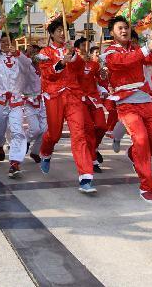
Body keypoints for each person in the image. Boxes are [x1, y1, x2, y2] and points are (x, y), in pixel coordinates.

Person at [101, 16, 152, 203]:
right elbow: (123, 61)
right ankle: (147, 186)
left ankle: (134, 154)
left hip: (145, 100)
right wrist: (146, 48)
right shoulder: (109, 52)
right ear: (112, 32)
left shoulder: (136, 49)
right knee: (141, 140)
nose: (124, 31)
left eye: (126, 27)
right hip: (126, 103)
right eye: (120, 28)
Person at [37, 17, 96, 194]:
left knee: (79, 135)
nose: (63, 33)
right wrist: (62, 62)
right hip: (54, 95)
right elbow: (48, 75)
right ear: (52, 34)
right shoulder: (44, 52)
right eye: (59, 31)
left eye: (65, 30)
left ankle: (86, 177)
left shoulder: (73, 51)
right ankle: (45, 152)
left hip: (73, 95)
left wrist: (74, 57)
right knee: (54, 134)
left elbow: (79, 70)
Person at [0, 19, 30, 178]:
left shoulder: (19, 58)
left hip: (16, 101)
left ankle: (15, 162)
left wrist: (18, 53)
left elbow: (29, 65)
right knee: (1, 129)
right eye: (2, 41)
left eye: (7, 41)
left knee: (17, 131)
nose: (4, 44)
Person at [77, 38, 108, 175]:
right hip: (80, 101)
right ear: (77, 48)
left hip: (94, 99)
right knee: (88, 129)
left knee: (102, 126)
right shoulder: (73, 63)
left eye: (87, 45)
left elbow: (100, 79)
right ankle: (93, 160)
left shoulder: (94, 64)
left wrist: (103, 74)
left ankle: (93, 148)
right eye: (83, 45)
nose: (86, 47)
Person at [21, 43, 47, 164]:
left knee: (45, 129)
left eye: (37, 54)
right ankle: (25, 141)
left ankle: (35, 152)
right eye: (33, 54)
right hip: (29, 101)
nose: (36, 56)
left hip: (42, 100)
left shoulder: (43, 66)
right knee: (35, 130)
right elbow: (21, 61)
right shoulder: (26, 67)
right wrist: (27, 55)